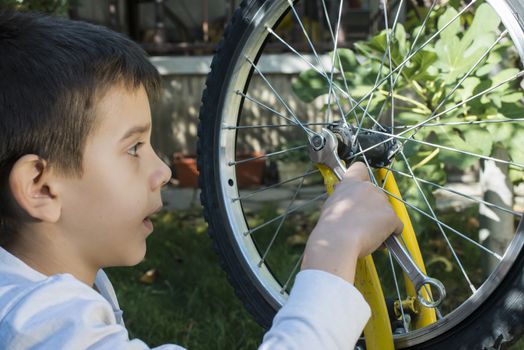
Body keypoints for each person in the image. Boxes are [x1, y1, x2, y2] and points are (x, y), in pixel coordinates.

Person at [0, 11, 403, 350]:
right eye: (134, 148)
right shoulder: (43, 326)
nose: (164, 171)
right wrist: (333, 252)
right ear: (40, 187)